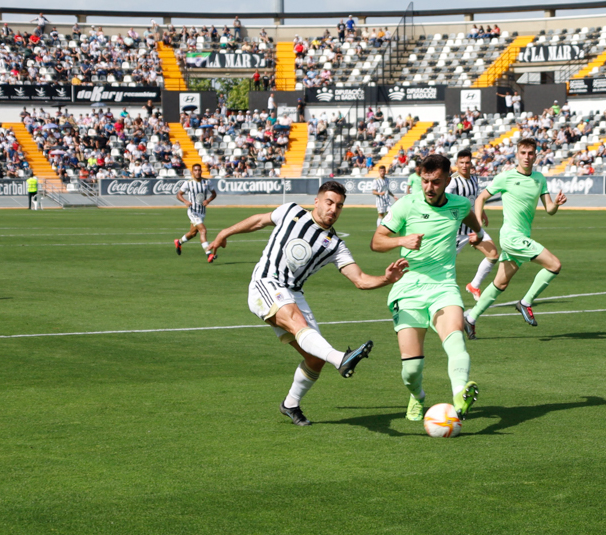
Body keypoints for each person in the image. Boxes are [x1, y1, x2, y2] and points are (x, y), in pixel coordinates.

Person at [207, 181, 408, 426]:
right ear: (317, 201)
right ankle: (340, 359)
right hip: (265, 282)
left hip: (293, 294)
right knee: (299, 323)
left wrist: (387, 279)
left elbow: (361, 280)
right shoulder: (291, 211)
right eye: (330, 202)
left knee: (315, 359)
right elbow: (259, 220)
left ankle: (290, 404)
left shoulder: (335, 245)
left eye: (340, 206)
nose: (334, 209)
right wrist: (224, 232)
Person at [371, 154, 485, 422]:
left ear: (448, 179)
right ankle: (417, 395)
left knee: (455, 336)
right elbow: (377, 241)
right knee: (411, 370)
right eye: (424, 181)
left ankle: (460, 396)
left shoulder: (459, 204)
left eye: (435, 182)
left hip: (443, 285)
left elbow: (472, 219)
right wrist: (403, 240)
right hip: (408, 287)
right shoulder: (407, 205)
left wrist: (477, 234)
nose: (429, 188)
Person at [463, 138, 567, 338]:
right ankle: (525, 302)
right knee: (554, 265)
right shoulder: (506, 177)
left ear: (536, 155)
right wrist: (477, 228)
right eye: (523, 153)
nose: (527, 157)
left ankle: (471, 318)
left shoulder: (539, 178)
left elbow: (550, 209)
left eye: (530, 153)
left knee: (500, 284)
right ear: (517, 154)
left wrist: (557, 204)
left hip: (521, 237)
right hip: (511, 237)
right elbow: (480, 198)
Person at [446, 149, 500, 302]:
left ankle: (474, 285)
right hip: (456, 232)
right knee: (444, 264)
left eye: (467, 162)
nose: (464, 165)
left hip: (474, 228)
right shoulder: (453, 181)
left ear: (471, 163)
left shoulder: (474, 180)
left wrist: (482, 213)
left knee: (493, 255)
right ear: (457, 164)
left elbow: (475, 199)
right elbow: (444, 200)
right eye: (461, 163)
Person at [174, 163, 218, 261]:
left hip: (202, 212)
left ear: (201, 171)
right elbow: (178, 194)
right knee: (203, 230)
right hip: (193, 211)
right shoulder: (188, 183)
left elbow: (214, 194)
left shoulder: (207, 182)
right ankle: (208, 254)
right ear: (192, 172)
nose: (197, 172)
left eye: (199, 170)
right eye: (195, 170)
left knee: (193, 233)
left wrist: (208, 200)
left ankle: (179, 242)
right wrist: (185, 201)